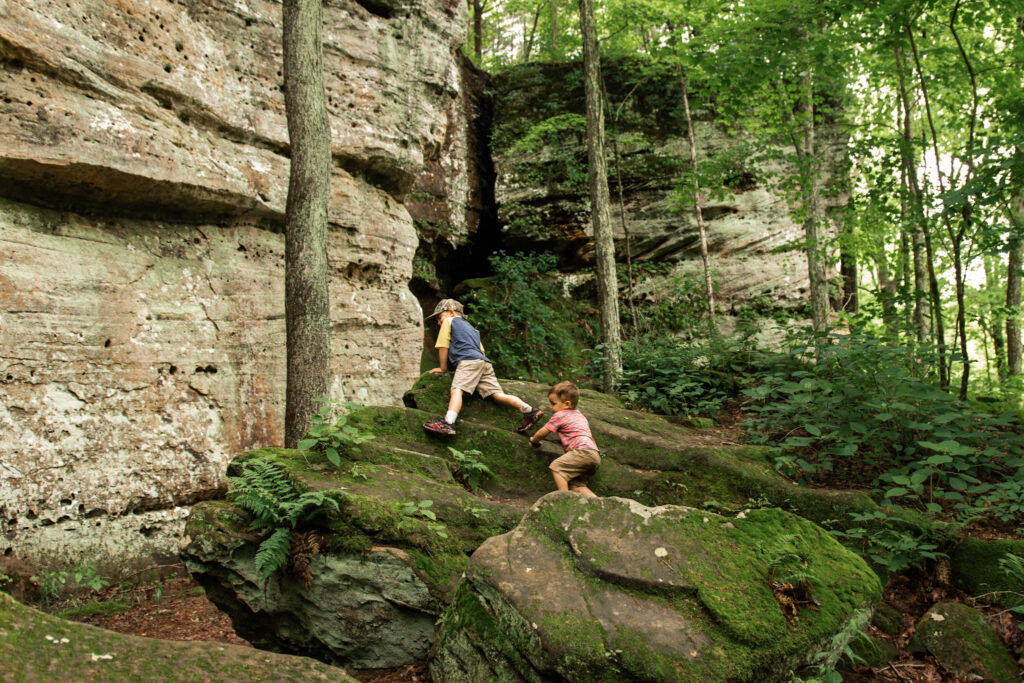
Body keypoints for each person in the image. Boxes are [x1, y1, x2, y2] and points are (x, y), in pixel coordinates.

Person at [423, 298, 543, 436]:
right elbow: (482, 351)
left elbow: (443, 346)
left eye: (439, 317)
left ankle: (448, 423)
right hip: (484, 362)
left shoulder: (449, 322)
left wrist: (443, 368)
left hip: (468, 361)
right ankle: (529, 410)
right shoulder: (472, 329)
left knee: (457, 389)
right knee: (497, 395)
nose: (439, 322)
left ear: (450, 312)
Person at [528, 381, 599, 497]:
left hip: (581, 452)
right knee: (577, 485)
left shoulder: (560, 415)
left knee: (557, 467)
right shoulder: (580, 415)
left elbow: (543, 432)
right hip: (594, 455)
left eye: (553, 403)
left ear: (567, 404)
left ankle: (563, 500)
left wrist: (534, 440)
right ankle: (598, 504)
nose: (550, 407)